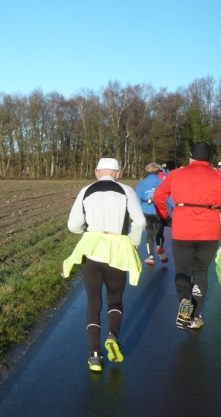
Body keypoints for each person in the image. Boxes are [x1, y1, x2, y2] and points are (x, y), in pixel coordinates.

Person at [63, 158, 146, 372]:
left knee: (93, 302)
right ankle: (113, 336)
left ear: (96, 172)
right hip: (117, 249)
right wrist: (133, 242)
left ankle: (94, 355)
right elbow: (139, 221)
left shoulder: (86, 191)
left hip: (91, 250)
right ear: (119, 173)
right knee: (115, 298)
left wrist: (88, 233)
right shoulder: (126, 191)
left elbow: (73, 225)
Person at [154, 142, 221, 330]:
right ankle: (195, 316)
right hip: (209, 230)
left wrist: (165, 217)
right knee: (201, 271)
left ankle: (184, 299)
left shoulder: (176, 174)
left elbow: (158, 196)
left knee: (183, 270)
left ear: (191, 157)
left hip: (183, 228)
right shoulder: (218, 176)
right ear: (209, 158)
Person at [135, 163, 168, 266]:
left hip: (146, 210)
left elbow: (137, 198)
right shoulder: (162, 182)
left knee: (150, 234)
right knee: (159, 232)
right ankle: (160, 248)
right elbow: (168, 197)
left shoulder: (142, 183)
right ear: (158, 172)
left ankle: (151, 256)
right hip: (159, 210)